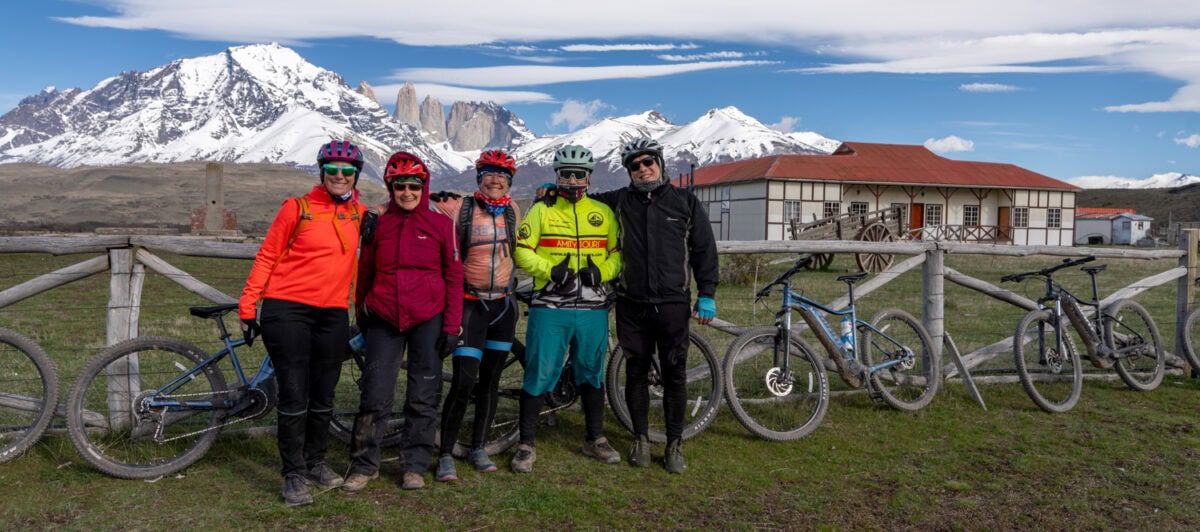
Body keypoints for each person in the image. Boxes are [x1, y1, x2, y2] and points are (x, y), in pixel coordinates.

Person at [237, 139, 367, 506]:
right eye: (332, 171)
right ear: (321, 173)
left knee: (323, 394)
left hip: (332, 314)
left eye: (346, 171)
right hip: (287, 310)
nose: (339, 176)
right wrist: (248, 306)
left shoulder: (359, 214)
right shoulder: (298, 208)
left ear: (356, 176)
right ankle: (292, 475)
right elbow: (266, 256)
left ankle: (316, 463)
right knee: (294, 393)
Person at [588, 137, 719, 474]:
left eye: (648, 162)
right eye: (635, 165)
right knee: (636, 373)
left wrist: (707, 292)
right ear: (628, 171)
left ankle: (675, 443)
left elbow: (704, 248)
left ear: (660, 163)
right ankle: (641, 438)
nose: (643, 169)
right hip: (632, 304)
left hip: (673, 302)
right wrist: (552, 191)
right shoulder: (618, 201)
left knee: (675, 373)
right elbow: (582, 203)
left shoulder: (685, 201)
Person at [343, 151, 463, 492]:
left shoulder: (441, 224)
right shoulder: (378, 223)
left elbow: (454, 277)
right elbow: (364, 272)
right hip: (384, 316)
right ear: (390, 188)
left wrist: (452, 326)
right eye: (400, 186)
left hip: (428, 317)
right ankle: (365, 464)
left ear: (424, 188)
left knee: (422, 396)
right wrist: (362, 312)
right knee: (375, 394)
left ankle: (415, 466)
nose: (407, 192)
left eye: (413, 186)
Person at [510, 144, 622, 474]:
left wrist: (602, 272)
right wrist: (549, 270)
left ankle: (595, 438)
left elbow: (617, 255)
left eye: (579, 175)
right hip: (550, 308)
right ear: (556, 176)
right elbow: (521, 251)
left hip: (592, 309)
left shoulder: (603, 213)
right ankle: (526, 444)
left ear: (589, 178)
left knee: (591, 371)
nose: (572, 180)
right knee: (539, 373)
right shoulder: (542, 210)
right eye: (566, 174)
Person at [429, 149, 523, 481]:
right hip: (469, 305)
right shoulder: (460, 207)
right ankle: (445, 454)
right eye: (489, 174)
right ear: (479, 179)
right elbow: (408, 197)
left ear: (509, 181)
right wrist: (373, 210)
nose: (495, 179)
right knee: (465, 381)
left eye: (502, 175)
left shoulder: (513, 210)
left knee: (491, 382)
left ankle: (479, 446)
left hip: (503, 306)